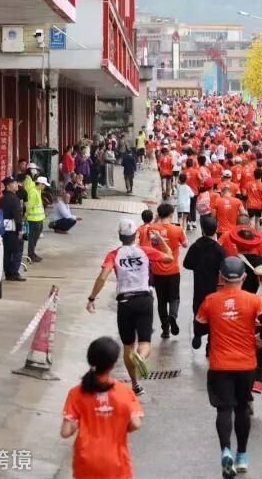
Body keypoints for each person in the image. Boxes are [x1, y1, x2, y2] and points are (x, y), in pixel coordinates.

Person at [195, 256, 262, 478]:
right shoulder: (254, 301)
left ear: (220, 277)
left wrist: (217, 323)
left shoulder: (211, 300)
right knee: (242, 408)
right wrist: (260, 339)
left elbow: (199, 327)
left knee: (224, 410)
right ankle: (241, 456)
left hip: (219, 364)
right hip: (246, 365)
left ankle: (225, 451)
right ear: (244, 277)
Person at [86, 219, 174, 396]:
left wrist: (92, 298)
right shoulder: (145, 251)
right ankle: (141, 357)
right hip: (144, 299)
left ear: (120, 236)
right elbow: (169, 257)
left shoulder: (114, 255)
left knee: (128, 346)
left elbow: (103, 277)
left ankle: (135, 384)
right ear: (135, 235)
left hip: (125, 302)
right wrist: (160, 239)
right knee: (145, 343)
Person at [61, 336, 144, 479]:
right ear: (113, 364)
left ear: (90, 359)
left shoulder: (76, 393)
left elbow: (65, 432)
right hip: (116, 462)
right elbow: (136, 424)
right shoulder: (124, 392)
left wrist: (80, 422)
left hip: (86, 461)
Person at [140, 203, 186, 340]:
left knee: (161, 301)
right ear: (171, 214)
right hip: (173, 270)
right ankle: (173, 315)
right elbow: (185, 244)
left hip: (157, 271)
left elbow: (151, 242)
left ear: (159, 214)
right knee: (174, 298)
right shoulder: (177, 229)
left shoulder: (152, 229)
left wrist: (156, 220)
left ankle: (165, 329)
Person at [183, 215, 226, 348]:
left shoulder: (196, 246)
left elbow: (186, 264)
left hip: (199, 285)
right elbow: (224, 268)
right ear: (216, 230)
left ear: (202, 230)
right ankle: (210, 344)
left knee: (198, 309)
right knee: (213, 314)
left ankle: (197, 333)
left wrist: (197, 266)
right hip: (214, 287)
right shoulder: (219, 249)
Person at [0, 176, 26, 282]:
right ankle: (14, 273)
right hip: (14, 230)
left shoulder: (3, 199)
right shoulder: (15, 199)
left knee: (7, 253)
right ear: (8, 186)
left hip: (4, 230)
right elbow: (17, 216)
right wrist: (20, 230)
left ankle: (8, 273)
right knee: (17, 251)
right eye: (14, 183)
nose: (16, 185)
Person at [23, 173, 47, 263]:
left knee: (35, 238)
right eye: (44, 184)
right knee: (32, 238)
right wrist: (26, 216)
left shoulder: (38, 191)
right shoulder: (33, 192)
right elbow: (29, 206)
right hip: (33, 220)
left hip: (38, 219)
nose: (45, 186)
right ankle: (31, 255)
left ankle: (32, 253)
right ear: (40, 184)